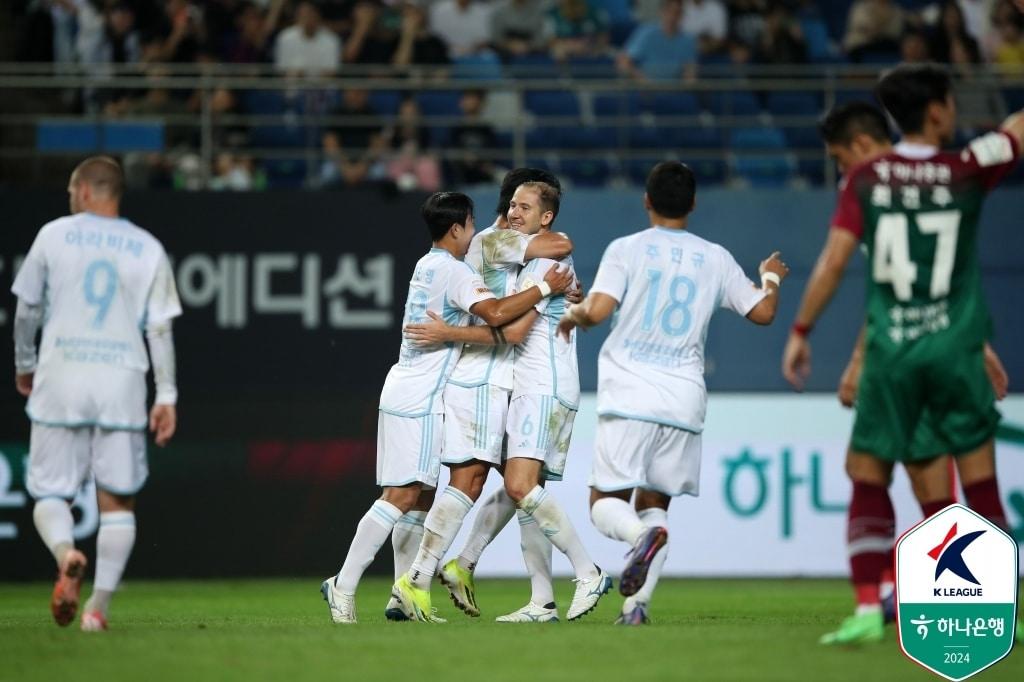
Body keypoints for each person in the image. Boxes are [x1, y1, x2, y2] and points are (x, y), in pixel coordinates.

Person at [780, 64, 1024, 645]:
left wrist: (802, 329)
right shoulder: (967, 167)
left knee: (867, 473)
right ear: (939, 111)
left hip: (893, 356)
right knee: (979, 484)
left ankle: (869, 606)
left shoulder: (866, 179)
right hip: (956, 349)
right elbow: (1017, 128)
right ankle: (994, 613)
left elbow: (837, 261)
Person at [320, 191, 574, 624]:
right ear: (456, 228)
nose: (475, 234)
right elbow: (495, 313)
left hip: (416, 389)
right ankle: (342, 585)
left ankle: (404, 596)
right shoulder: (453, 272)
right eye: (471, 226)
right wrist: (546, 286)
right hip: (417, 395)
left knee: (422, 497)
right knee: (399, 496)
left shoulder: (426, 264)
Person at [557, 161, 788, 625]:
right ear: (694, 204)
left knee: (605, 502)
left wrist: (573, 314)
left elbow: (598, 311)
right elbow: (763, 313)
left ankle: (637, 542)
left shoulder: (627, 249)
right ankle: (636, 607)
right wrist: (771, 277)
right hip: (684, 400)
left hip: (630, 393)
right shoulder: (716, 257)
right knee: (655, 506)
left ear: (646, 200)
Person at [396, 170, 579, 624]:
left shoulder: (501, 250)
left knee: (521, 485)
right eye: (515, 206)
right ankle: (414, 579)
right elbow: (557, 250)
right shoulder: (496, 242)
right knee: (474, 482)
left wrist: (567, 290)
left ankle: (484, 574)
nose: (517, 213)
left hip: (503, 381)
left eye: (526, 207)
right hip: (481, 377)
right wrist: (547, 284)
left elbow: (557, 270)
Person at [12, 156, 181, 632]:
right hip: (120, 382)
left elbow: (26, 311)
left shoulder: (53, 234)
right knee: (118, 502)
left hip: (61, 373)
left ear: (84, 191)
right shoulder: (147, 247)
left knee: (50, 491)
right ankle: (97, 610)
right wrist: (165, 395)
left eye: (70, 191)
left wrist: (25, 364)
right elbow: (160, 329)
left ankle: (67, 554)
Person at [617, 0, 698, 82]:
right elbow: (624, 61)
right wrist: (641, 80)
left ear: (682, 15)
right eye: (670, 11)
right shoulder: (646, 33)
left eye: (677, 13)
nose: (673, 16)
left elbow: (689, 72)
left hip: (675, 91)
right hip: (645, 91)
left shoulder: (688, 40)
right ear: (662, 11)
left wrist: (687, 87)